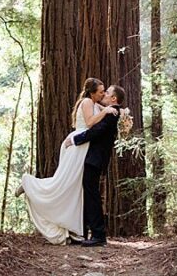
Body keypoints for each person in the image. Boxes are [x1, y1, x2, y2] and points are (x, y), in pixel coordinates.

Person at [18, 79, 118, 244]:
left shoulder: (95, 103)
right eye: (101, 91)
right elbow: (90, 123)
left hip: (84, 146)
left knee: (74, 187)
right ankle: (30, 184)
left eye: (104, 91)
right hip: (78, 144)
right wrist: (106, 110)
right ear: (92, 93)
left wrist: (111, 110)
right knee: (66, 182)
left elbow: (110, 110)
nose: (103, 94)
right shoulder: (87, 102)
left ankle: (74, 229)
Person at [67, 84, 126, 247]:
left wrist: (74, 140)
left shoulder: (112, 113)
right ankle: (84, 232)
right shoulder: (110, 111)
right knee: (89, 194)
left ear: (113, 98)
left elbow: (95, 131)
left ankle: (98, 235)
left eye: (107, 93)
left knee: (92, 195)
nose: (104, 94)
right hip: (94, 158)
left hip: (95, 159)